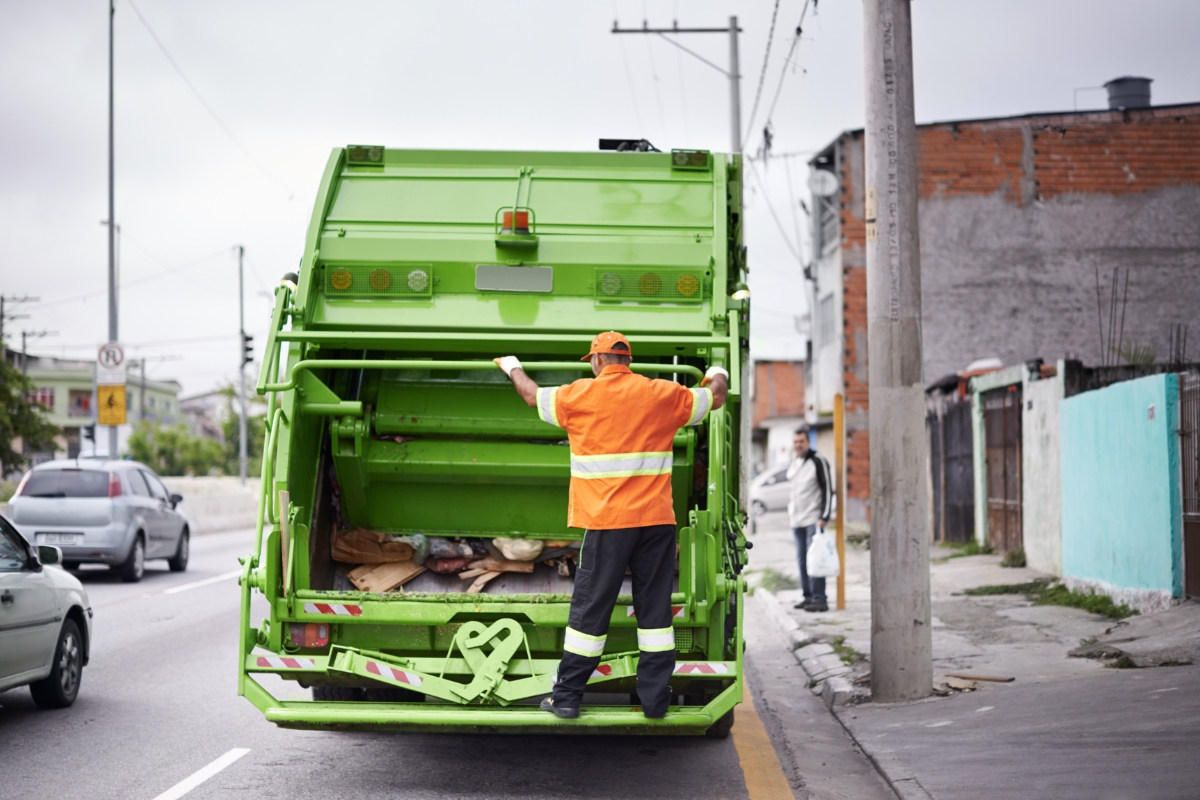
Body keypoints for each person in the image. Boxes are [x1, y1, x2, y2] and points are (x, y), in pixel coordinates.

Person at [494, 331, 728, 719]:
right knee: (654, 613)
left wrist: (512, 366)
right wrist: (716, 369)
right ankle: (654, 702)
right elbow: (715, 397)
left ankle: (567, 697)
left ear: (597, 361)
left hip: (607, 523)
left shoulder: (579, 396)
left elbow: (532, 395)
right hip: (656, 522)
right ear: (627, 361)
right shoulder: (663, 394)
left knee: (591, 610)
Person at [786, 428, 834, 613]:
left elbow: (828, 489)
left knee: (815, 559)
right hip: (796, 520)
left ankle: (819, 599)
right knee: (802, 560)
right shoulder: (795, 463)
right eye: (795, 442)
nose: (798, 445)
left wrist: (824, 516)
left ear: (809, 442)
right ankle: (808, 596)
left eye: (801, 441)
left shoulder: (818, 460)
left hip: (814, 519)